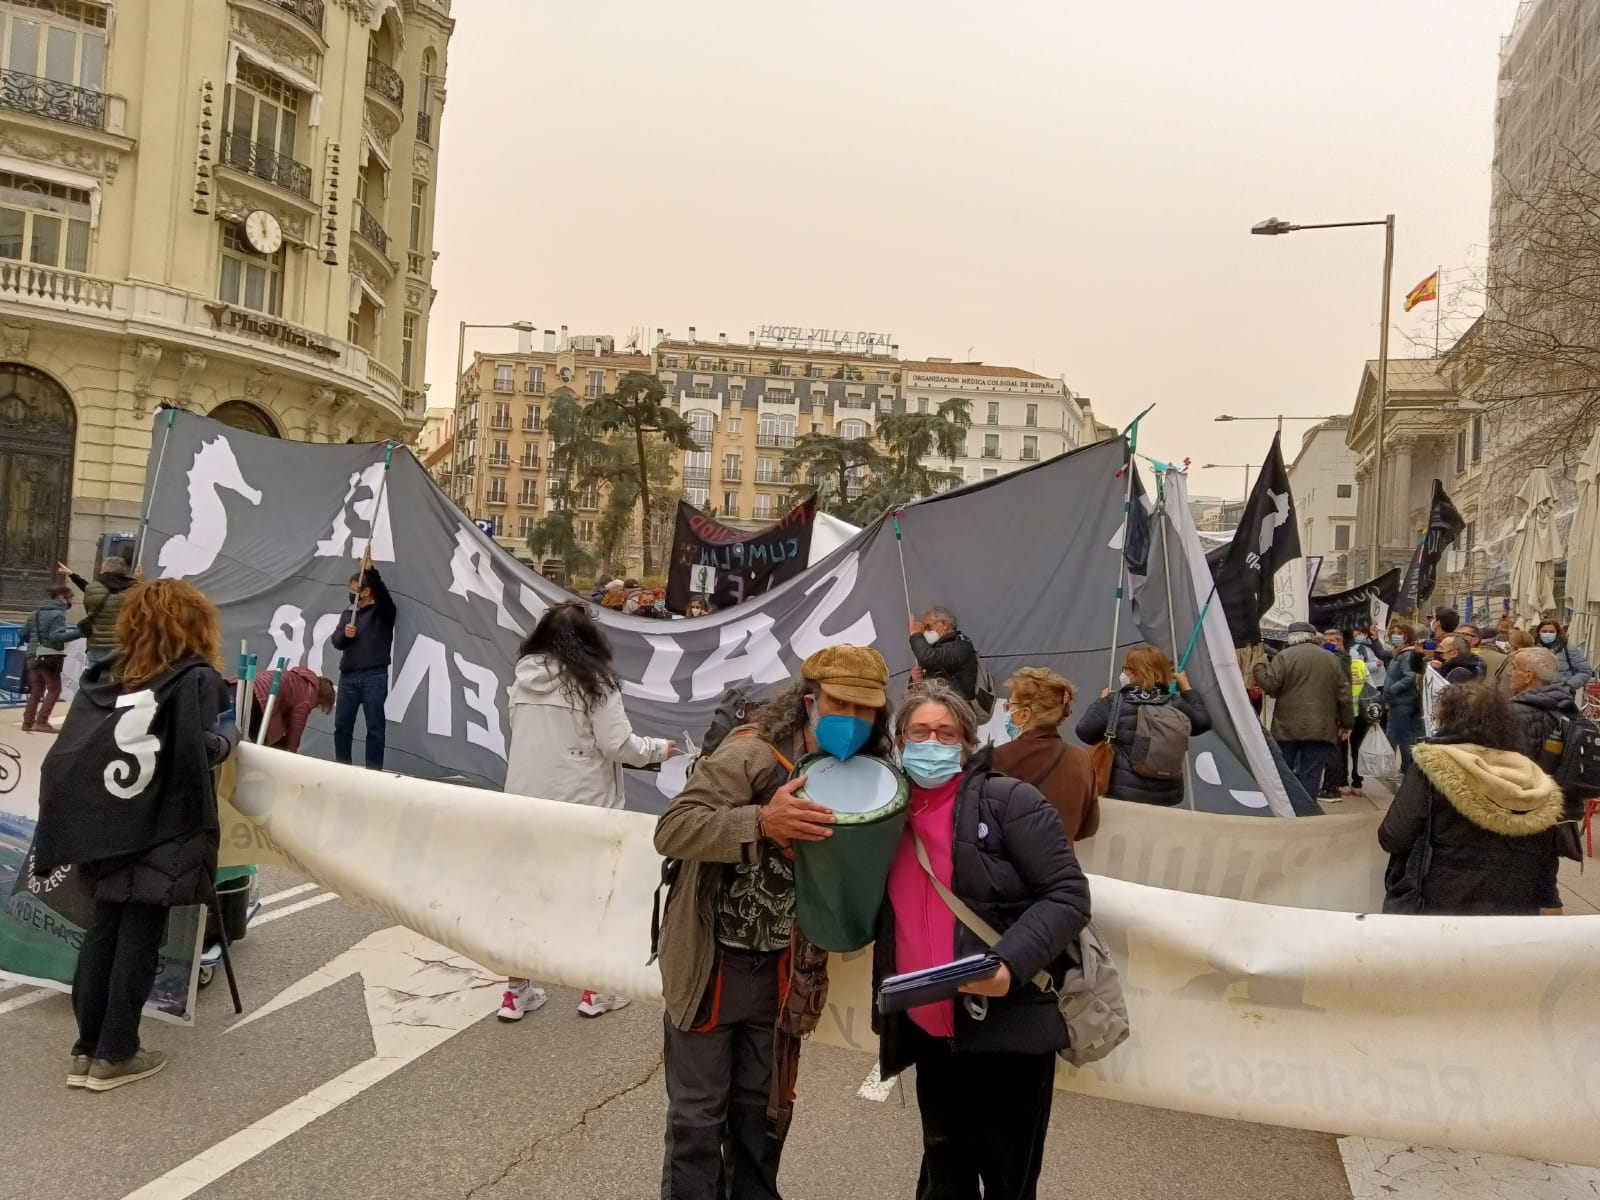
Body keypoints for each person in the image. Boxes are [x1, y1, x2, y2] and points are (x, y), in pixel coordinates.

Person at [653, 645, 890, 1199]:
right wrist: (762, 820)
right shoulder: (752, 756)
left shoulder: (868, 774)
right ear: (809, 702)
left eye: (865, 710)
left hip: (784, 975)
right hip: (713, 967)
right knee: (697, 1118)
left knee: (762, 1117)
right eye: (839, 704)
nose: (851, 720)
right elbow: (673, 828)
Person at [874, 681, 1090, 1200]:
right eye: (919, 732)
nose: (931, 742)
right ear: (900, 742)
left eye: (945, 733)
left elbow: (1068, 896)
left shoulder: (1009, 800)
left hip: (1007, 1036)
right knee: (945, 1180)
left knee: (1008, 1184)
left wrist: (1008, 965)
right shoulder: (885, 814)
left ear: (967, 743)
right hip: (929, 1033)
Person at [32, 578, 238, 1090]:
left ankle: (86, 1049)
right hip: (162, 826)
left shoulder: (105, 676)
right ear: (197, 624)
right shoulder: (195, 678)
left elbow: (72, 753)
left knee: (103, 932)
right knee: (139, 939)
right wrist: (231, 735)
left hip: (103, 825)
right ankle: (117, 1052)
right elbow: (203, 748)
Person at [502, 601, 676, 1020]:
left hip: (523, 801)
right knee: (595, 894)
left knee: (526, 895)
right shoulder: (595, 682)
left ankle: (515, 990)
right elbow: (619, 746)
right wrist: (660, 749)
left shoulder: (523, 679)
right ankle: (594, 989)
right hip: (584, 805)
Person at [1378, 683, 1563, 915]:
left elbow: (1393, 836)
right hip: (1513, 910)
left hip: (1439, 903)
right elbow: (1547, 854)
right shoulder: (1531, 775)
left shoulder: (1432, 767)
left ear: (1447, 719)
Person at [1075, 646, 1210, 808]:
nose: (1123, 672)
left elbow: (1084, 732)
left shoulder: (1115, 701)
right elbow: (1202, 723)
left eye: (1126, 668)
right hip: (1167, 794)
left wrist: (1100, 701)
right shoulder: (1175, 702)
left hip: (1123, 794)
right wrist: (1186, 687)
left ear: (1136, 671)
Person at [993, 667, 1098, 843]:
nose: (1008, 712)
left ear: (1024, 714)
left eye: (1009, 706)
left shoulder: (999, 757)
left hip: (1010, 866)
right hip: (1062, 864)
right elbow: (1089, 827)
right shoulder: (1083, 759)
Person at [1253, 621, 1351, 803]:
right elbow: (1344, 693)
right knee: (1311, 774)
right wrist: (1346, 723)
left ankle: (1288, 808)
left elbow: (1270, 684)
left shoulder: (1284, 656)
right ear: (1313, 636)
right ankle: (1306, 811)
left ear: (1290, 637)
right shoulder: (1331, 658)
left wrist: (1259, 667)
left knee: (1286, 772)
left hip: (1286, 728)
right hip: (1321, 728)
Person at [330, 547, 397, 771]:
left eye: (355, 589)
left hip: (374, 677)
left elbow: (385, 598)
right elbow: (336, 642)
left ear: (367, 591)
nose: (352, 594)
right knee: (342, 727)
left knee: (375, 728)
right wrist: (344, 635)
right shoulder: (348, 614)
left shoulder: (383, 612)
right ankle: (343, 769)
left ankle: (373, 773)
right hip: (348, 677)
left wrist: (372, 571)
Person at [19, 582, 75, 733]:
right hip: (48, 656)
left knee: (36, 689)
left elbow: (22, 634)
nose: (71, 602)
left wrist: (33, 642)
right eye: (70, 598)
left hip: (32, 656)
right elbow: (56, 637)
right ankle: (41, 721)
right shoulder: (58, 615)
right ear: (61, 597)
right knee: (54, 689)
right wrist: (80, 633)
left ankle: (27, 722)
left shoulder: (35, 614)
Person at [249, 666, 335, 752]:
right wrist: (292, 750)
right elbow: (295, 727)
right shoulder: (309, 695)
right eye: (319, 705)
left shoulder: (298, 678)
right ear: (321, 697)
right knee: (258, 745)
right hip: (261, 699)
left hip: (247, 684)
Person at [908, 606, 980, 703]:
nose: (924, 631)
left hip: (958, 710)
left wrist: (916, 635)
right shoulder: (936, 649)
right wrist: (916, 681)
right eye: (923, 629)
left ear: (944, 624)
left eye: (928, 627)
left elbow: (928, 658)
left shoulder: (961, 646)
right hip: (939, 707)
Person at [81, 557, 139, 668]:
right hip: (122, 645)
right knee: (118, 679)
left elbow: (89, 611)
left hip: (96, 644)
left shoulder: (91, 587)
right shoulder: (134, 589)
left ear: (107, 568)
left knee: (93, 680)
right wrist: (139, 581)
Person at [1383, 623, 1425, 773]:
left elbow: (1410, 677)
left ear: (1407, 636)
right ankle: (1405, 768)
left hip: (1402, 701)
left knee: (1397, 735)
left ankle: (1402, 769)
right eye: (1393, 632)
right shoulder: (1398, 653)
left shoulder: (1407, 654)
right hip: (1398, 700)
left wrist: (1392, 691)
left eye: (1399, 633)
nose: (1395, 635)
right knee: (1402, 736)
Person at [1535, 619, 1594, 690]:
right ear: (1539, 632)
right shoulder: (1531, 648)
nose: (1547, 634)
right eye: (1544, 631)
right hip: (1536, 694)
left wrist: (1569, 686)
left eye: (1551, 632)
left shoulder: (1568, 648)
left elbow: (1585, 671)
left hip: (1562, 695)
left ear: (1557, 633)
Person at [1496, 627, 1535, 694]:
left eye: (1510, 643)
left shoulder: (1513, 664)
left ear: (1514, 646)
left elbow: (1506, 690)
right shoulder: (1535, 660)